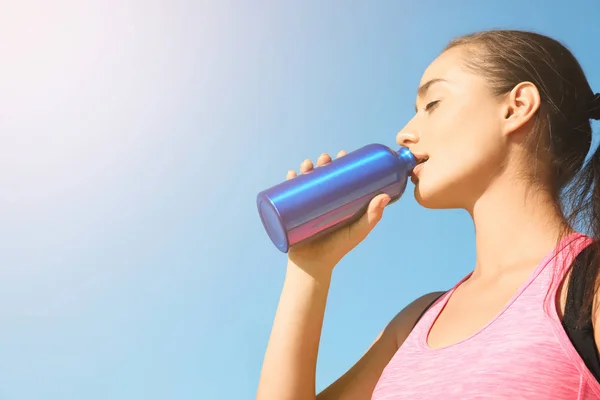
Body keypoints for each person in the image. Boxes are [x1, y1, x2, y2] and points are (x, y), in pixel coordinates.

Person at [256, 29, 600, 399]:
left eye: (433, 103)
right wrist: (310, 267)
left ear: (515, 107)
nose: (404, 132)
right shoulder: (414, 322)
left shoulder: (587, 290)